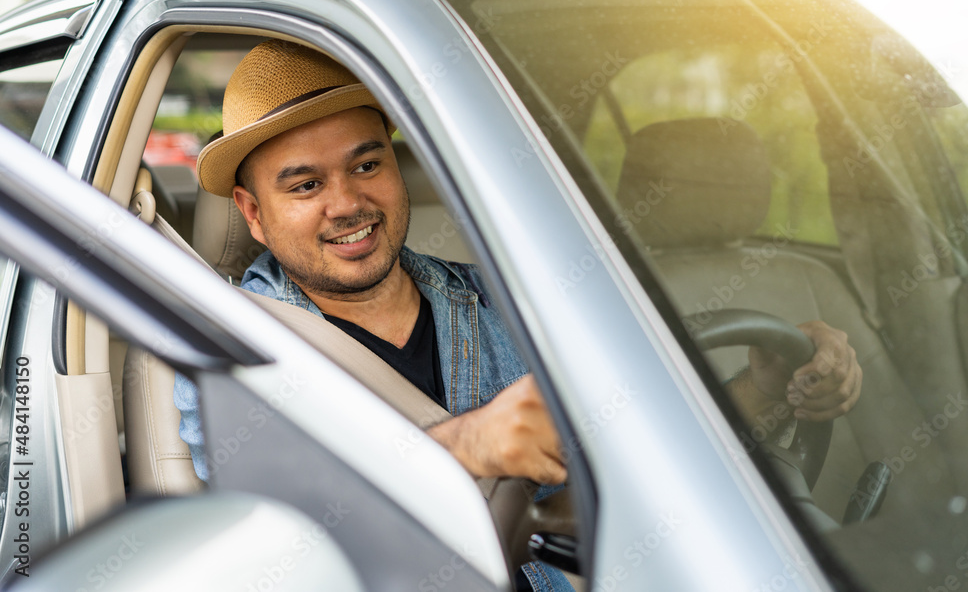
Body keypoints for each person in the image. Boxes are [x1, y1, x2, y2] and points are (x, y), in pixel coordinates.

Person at [175, 39, 862, 591]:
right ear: (253, 214)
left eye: (366, 165)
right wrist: (464, 448)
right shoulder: (225, 353)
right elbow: (285, 539)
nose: (348, 202)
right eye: (305, 185)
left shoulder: (514, 300)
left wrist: (768, 387)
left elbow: (635, 453)